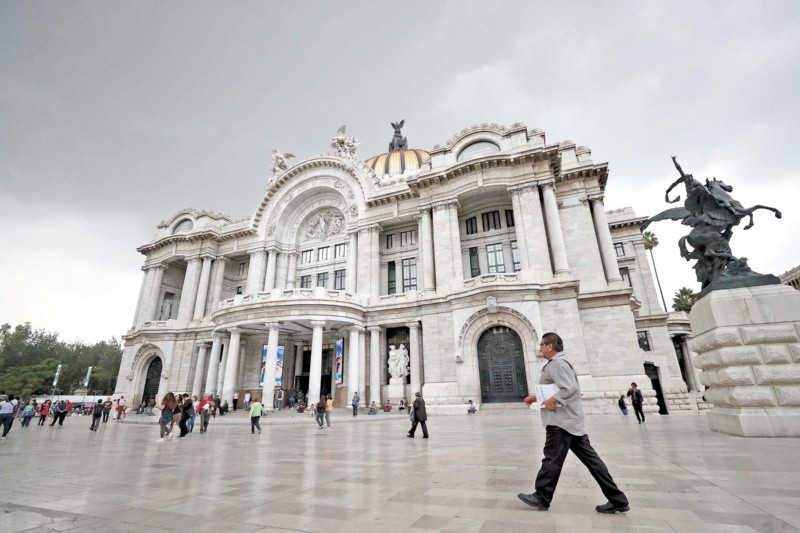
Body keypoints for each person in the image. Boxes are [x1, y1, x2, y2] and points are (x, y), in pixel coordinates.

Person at [517, 332, 629, 514]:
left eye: (542, 345)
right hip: (571, 422)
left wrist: (555, 400)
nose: (540, 348)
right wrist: (537, 397)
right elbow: (556, 388)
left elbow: (569, 388)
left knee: (551, 459)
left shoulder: (558, 363)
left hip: (561, 422)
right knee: (592, 461)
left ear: (550, 346)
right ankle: (618, 499)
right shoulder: (558, 363)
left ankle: (542, 496)